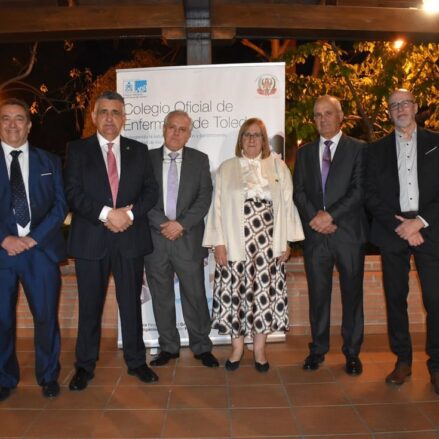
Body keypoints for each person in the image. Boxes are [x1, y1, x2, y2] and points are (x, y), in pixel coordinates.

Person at [65, 91, 159, 390]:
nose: (109, 117)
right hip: (91, 240)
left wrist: (128, 216)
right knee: (89, 306)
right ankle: (84, 366)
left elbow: (150, 192)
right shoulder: (77, 150)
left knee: (130, 304)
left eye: (115, 112)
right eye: (103, 112)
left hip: (129, 239)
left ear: (124, 118)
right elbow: (72, 193)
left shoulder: (139, 150)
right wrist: (108, 214)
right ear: (94, 116)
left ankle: (136, 361)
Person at [203, 117, 304, 372]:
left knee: (264, 295)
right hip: (234, 243)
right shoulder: (227, 168)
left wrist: (286, 241)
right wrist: (218, 243)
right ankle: (237, 348)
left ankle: (259, 350)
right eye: (247, 134)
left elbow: (287, 205)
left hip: (268, 245)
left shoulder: (278, 167)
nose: (251, 139)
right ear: (240, 139)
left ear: (264, 140)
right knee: (234, 295)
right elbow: (216, 208)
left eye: (257, 134)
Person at [366, 88, 439, 394]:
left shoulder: (436, 142)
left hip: (429, 228)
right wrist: (400, 225)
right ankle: (403, 361)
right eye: (394, 105)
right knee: (396, 298)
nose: (400, 109)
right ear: (389, 113)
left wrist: (419, 222)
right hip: (392, 229)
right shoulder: (376, 150)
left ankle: (436, 365)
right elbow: (370, 194)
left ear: (415, 106)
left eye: (405, 103)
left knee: (435, 298)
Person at [293, 95, 368, 375]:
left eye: (328, 113)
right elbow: (299, 191)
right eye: (317, 114)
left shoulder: (359, 149)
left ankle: (352, 352)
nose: (322, 119)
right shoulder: (304, 152)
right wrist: (316, 218)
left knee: (352, 295)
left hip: (348, 234)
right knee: (318, 295)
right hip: (316, 236)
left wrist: (330, 216)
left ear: (340, 116)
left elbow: (360, 190)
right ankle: (318, 349)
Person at [0, 98, 67, 401]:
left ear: (29, 125)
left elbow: (60, 206)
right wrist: (5, 239)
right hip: (2, 252)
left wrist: (32, 238)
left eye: (19, 118)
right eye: (5, 118)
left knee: (45, 318)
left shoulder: (49, 161)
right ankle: (5, 377)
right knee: (2, 320)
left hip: (40, 251)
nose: (12, 124)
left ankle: (48, 375)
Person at [144, 110, 219, 368]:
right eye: (172, 127)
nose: (176, 133)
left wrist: (181, 224)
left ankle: (202, 346)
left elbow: (204, 197)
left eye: (182, 129)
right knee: (161, 297)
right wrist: (163, 224)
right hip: (156, 240)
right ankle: (168, 347)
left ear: (189, 134)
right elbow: (141, 196)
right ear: (164, 128)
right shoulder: (147, 159)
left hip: (188, 239)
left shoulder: (200, 160)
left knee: (195, 296)